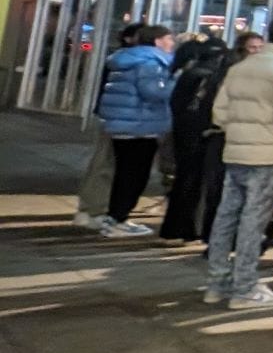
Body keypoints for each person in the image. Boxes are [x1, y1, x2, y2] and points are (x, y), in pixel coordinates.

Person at [205, 17, 273, 309]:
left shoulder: (240, 68)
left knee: (226, 217)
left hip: (236, 152)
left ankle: (217, 282)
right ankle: (245, 287)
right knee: (254, 221)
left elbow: (220, 113)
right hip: (268, 155)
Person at [97, 25, 177, 237]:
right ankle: (118, 219)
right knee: (134, 175)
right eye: (169, 39)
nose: (172, 43)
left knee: (124, 173)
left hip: (123, 124)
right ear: (157, 41)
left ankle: (115, 217)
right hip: (140, 125)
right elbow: (152, 92)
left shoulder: (127, 58)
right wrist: (175, 83)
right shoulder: (151, 62)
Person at [72, 23, 145, 230]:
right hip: (123, 120)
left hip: (113, 117)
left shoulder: (119, 60)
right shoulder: (132, 62)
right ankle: (94, 210)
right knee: (107, 165)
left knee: (104, 164)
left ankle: (90, 209)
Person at [161, 35, 228, 243]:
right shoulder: (210, 77)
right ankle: (182, 228)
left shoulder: (188, 73)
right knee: (193, 182)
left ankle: (177, 228)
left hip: (183, 131)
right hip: (200, 134)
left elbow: (176, 103)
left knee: (184, 180)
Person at [201, 32, 264, 244]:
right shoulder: (232, 73)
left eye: (259, 48)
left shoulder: (256, 74)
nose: (256, 52)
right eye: (252, 47)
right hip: (227, 139)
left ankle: (221, 240)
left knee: (234, 195)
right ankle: (215, 239)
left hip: (243, 141)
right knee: (223, 192)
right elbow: (219, 109)